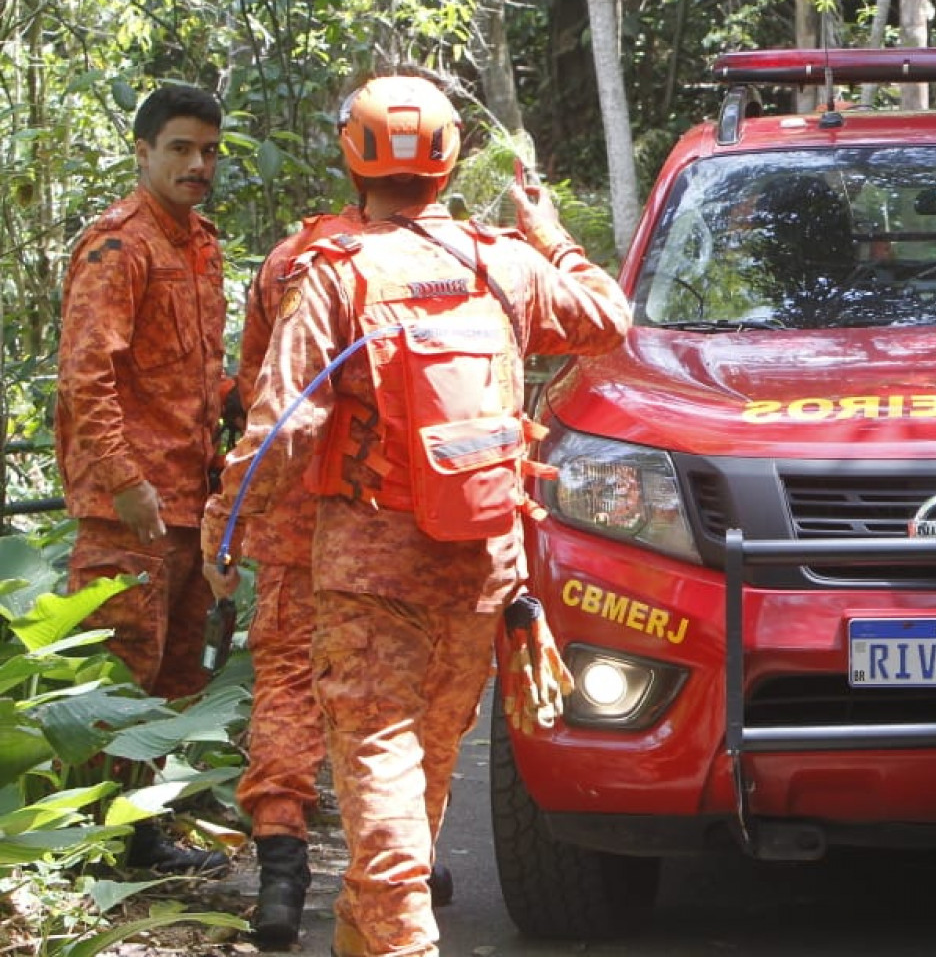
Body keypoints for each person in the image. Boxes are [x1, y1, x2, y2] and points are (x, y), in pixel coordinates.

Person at [201, 72, 629, 957]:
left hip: (369, 581)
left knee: (384, 795)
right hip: (482, 571)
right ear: (451, 161)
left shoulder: (334, 273)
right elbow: (610, 320)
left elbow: (280, 424)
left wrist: (223, 534)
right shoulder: (502, 262)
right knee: (417, 789)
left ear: (353, 161)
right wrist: (549, 232)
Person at [55, 83, 234, 875]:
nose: (198, 165)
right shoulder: (118, 246)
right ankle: (85, 843)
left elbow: (202, 376)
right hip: (128, 507)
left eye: (209, 151)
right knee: (117, 669)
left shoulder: (202, 243)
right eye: (181, 149)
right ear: (143, 152)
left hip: (192, 501)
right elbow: (84, 375)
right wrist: (125, 481)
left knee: (174, 678)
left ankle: (140, 835)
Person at [223, 203, 363, 947]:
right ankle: (402, 855)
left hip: (290, 511)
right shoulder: (430, 258)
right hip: (387, 523)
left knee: (284, 681)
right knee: (388, 690)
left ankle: (282, 872)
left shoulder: (289, 259)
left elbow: (259, 395)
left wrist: (233, 511)